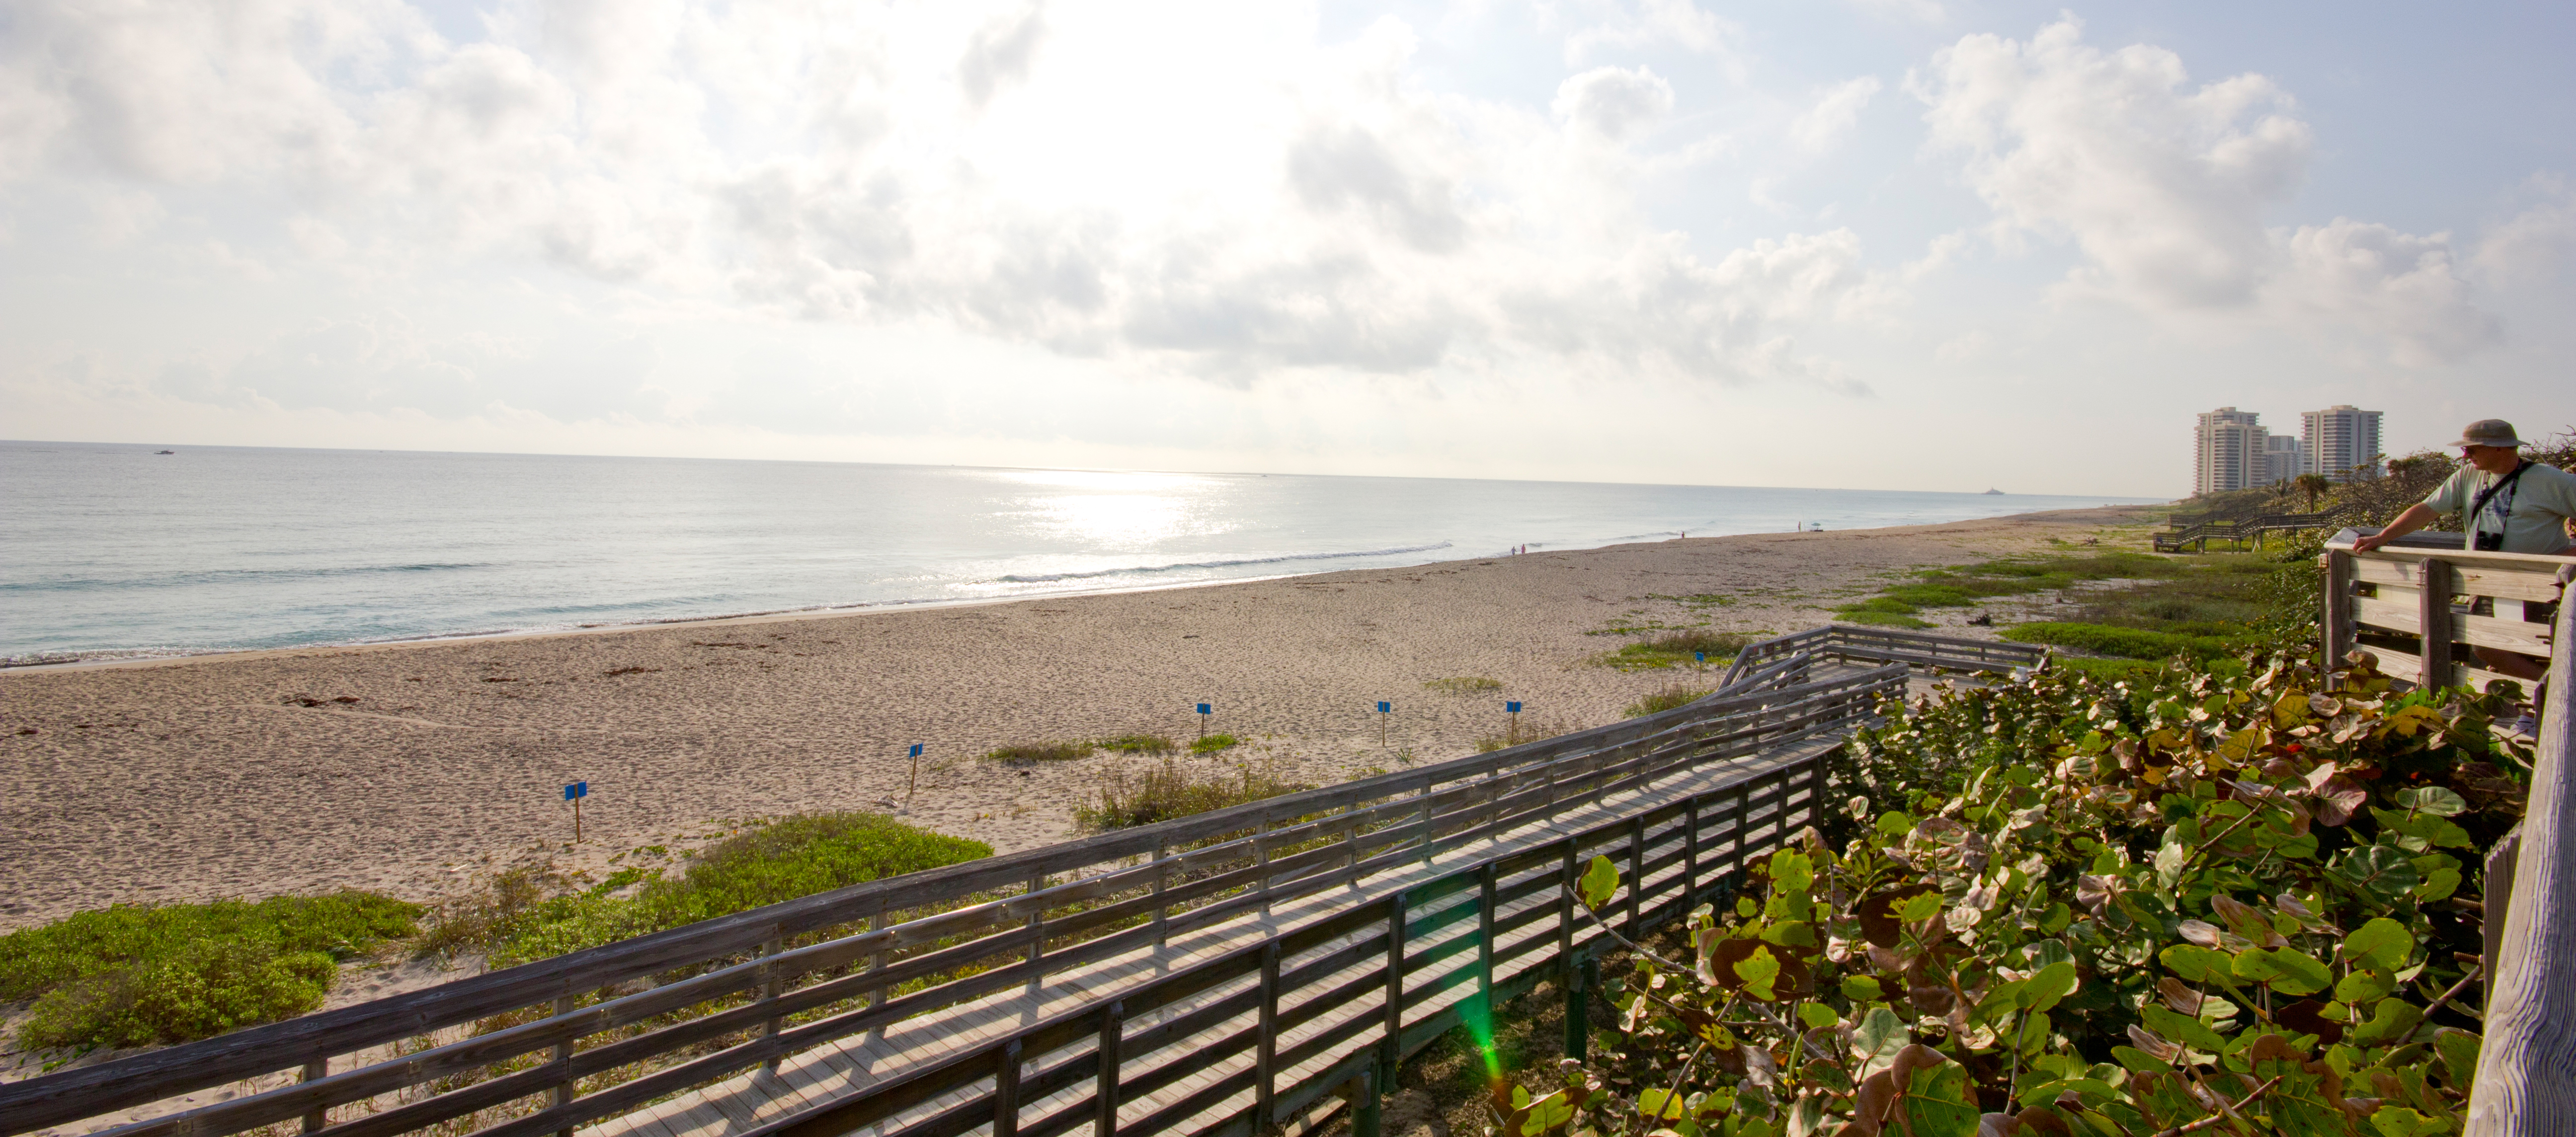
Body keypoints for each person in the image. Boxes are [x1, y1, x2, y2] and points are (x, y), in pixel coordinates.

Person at [2353, 418, 2576, 684]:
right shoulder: (2467, 476)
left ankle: (2550, 702)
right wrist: (2383, 537)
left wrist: (2564, 556)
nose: (2465, 455)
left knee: (2534, 650)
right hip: (2486, 582)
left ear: (2499, 448)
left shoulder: (2551, 480)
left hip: (2537, 585)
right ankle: (2554, 696)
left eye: (2472, 449)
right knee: (2488, 647)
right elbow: (2428, 509)